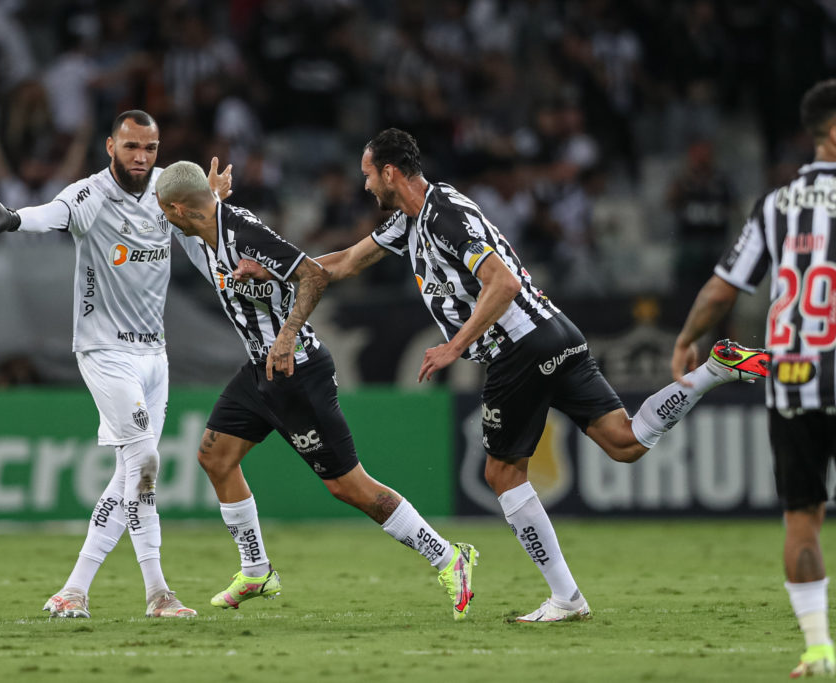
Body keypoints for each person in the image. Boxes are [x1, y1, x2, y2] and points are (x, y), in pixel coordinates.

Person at [308, 128, 769, 622]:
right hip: (556, 332)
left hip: (519, 345)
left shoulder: (444, 217)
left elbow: (501, 283)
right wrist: (277, 270)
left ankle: (567, 598)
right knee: (626, 441)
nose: (365, 187)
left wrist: (454, 346)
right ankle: (714, 370)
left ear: (391, 173)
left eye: (368, 175)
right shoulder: (411, 221)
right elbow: (344, 262)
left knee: (502, 473)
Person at [154, 160, 479, 620]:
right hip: (259, 370)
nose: (163, 216)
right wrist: (213, 194)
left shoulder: (243, 234)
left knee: (350, 487)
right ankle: (256, 570)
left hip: (296, 370)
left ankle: (449, 557)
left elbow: (313, 274)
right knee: (215, 456)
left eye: (166, 209)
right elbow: (202, 212)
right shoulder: (203, 225)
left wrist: (286, 336)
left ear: (178, 208)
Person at [0, 110, 233, 619]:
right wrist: (15, 219)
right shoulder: (90, 195)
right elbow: (52, 214)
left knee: (127, 476)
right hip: (105, 352)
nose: (141, 158)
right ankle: (158, 593)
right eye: (131, 147)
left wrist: (211, 211)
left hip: (155, 355)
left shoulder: (167, 197)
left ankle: (73, 590)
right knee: (146, 463)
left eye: (149, 148)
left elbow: (206, 251)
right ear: (110, 145)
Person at [672, 80, 836, 678]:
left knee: (802, 522)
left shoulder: (775, 205)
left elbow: (723, 287)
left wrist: (688, 337)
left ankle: (818, 649)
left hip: (791, 381)